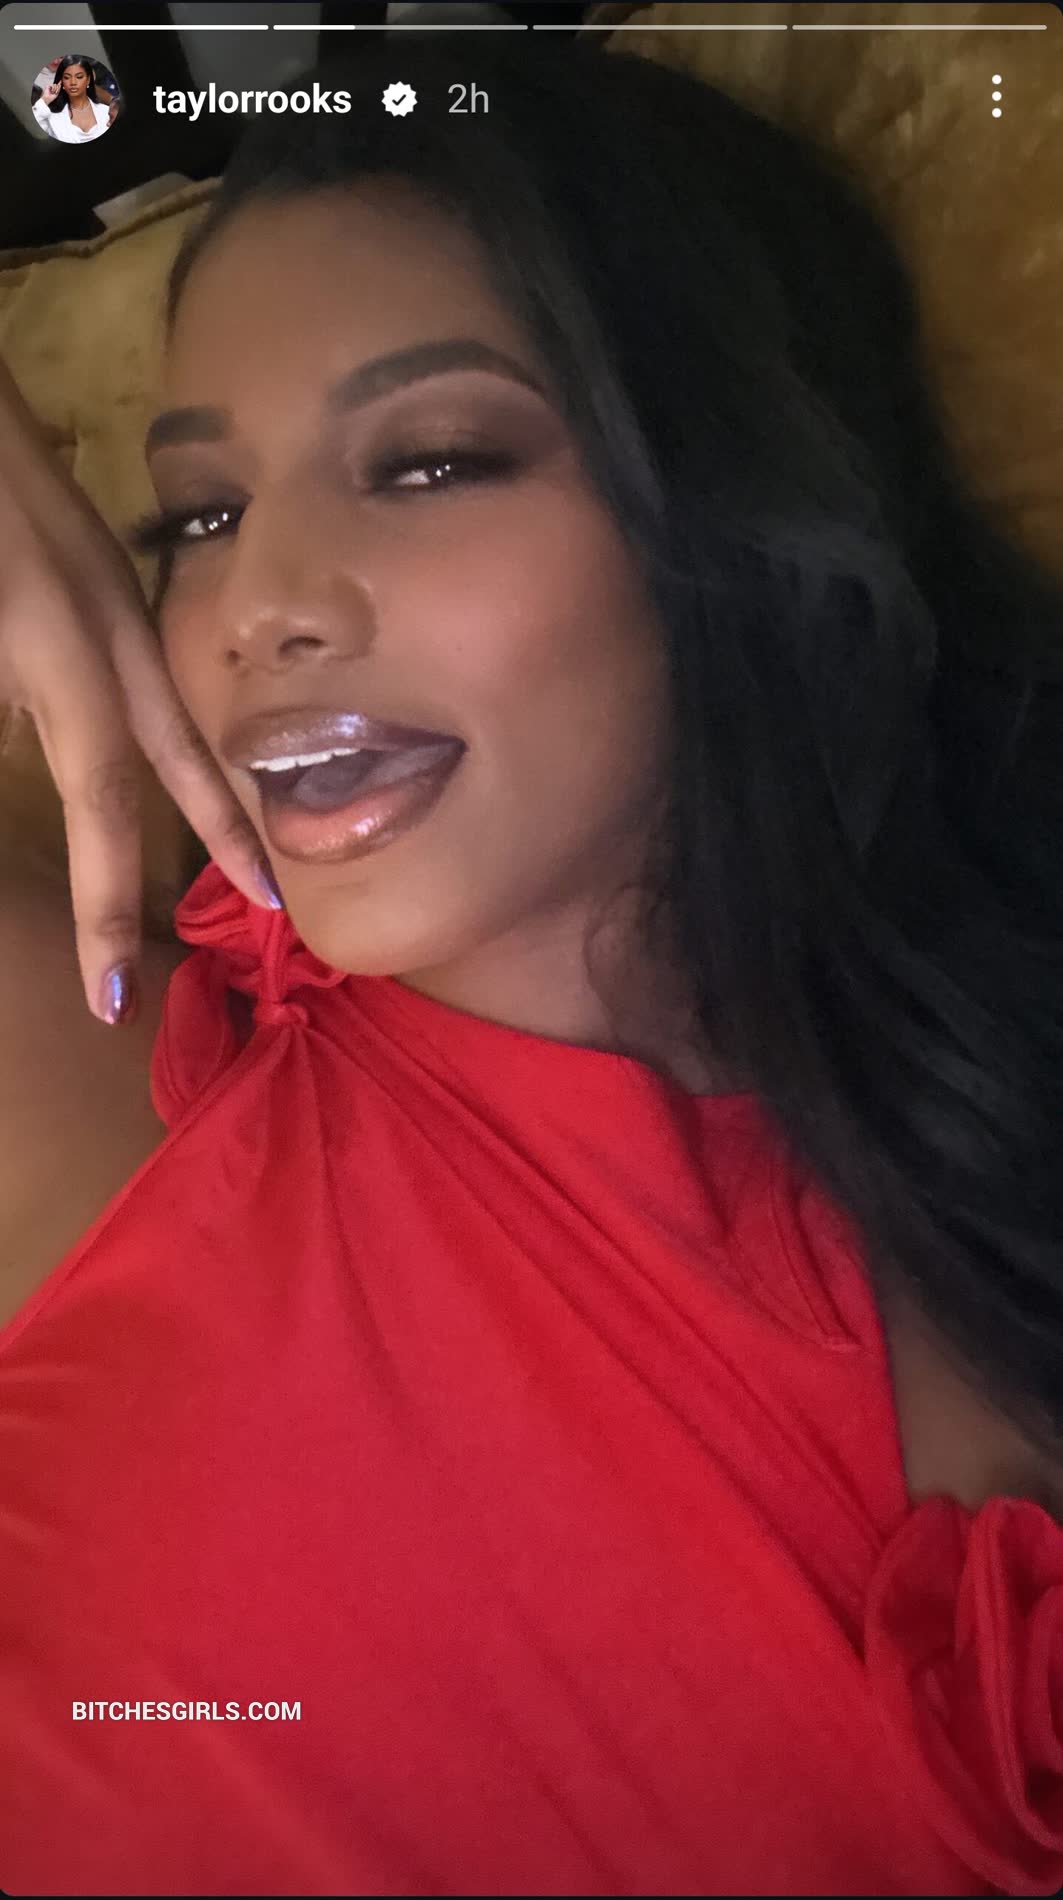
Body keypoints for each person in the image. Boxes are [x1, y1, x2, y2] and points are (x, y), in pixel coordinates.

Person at [3, 32, 1063, 1896]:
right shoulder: (111, 1083)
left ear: (728, 508)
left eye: (427, 462)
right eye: (198, 519)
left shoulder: (990, 1214)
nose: (258, 607)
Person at [32, 54, 117, 144]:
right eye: (67, 77)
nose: (73, 83)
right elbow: (34, 129)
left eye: (79, 77)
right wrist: (45, 100)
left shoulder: (107, 112)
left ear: (88, 80)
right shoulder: (52, 119)